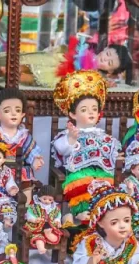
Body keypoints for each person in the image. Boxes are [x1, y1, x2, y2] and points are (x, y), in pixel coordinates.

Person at [51, 71, 119, 223]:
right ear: (73, 115)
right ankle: (82, 211)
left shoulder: (103, 136)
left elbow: (111, 155)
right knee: (83, 183)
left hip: (103, 173)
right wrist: (71, 139)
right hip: (78, 173)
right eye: (84, 110)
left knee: (107, 185)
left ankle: (104, 211)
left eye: (94, 109)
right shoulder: (70, 133)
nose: (91, 113)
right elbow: (61, 149)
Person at [71, 183, 139, 264]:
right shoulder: (90, 242)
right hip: (76, 235)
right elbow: (78, 262)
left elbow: (134, 256)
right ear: (100, 223)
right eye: (114, 222)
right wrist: (92, 261)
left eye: (126, 220)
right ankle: (67, 218)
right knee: (71, 230)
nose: (122, 226)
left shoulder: (130, 242)